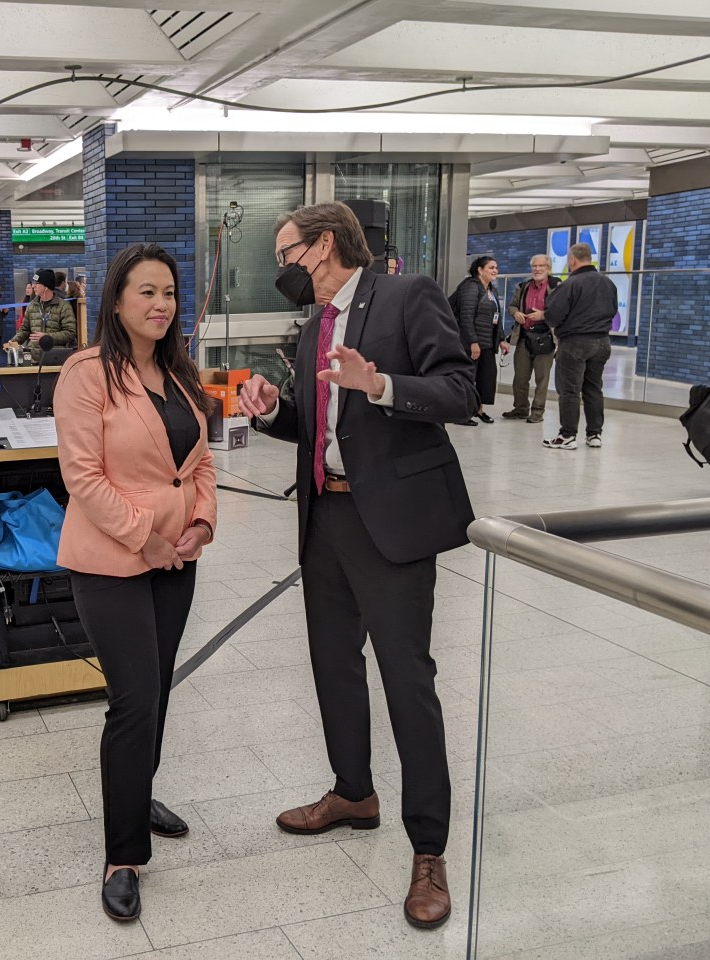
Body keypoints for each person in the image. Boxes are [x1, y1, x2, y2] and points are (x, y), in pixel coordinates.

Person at [237, 202, 478, 931]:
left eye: (288, 252)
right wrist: (274, 409)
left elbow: (462, 394)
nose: (283, 268)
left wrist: (381, 386)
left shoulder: (408, 296)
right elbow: (318, 427)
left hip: (393, 524)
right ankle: (352, 792)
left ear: (327, 244)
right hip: (326, 517)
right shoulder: (313, 327)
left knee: (408, 681)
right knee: (332, 664)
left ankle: (428, 848)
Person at [54, 243, 217, 923]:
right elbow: (83, 476)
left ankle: (135, 790)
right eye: (145, 292)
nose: (160, 305)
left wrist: (200, 525)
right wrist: (143, 536)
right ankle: (123, 854)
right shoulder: (87, 373)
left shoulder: (180, 374)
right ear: (116, 300)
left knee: (157, 688)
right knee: (134, 698)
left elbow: (198, 465)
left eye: (169, 293)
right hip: (112, 561)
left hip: (176, 559)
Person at [538, 242, 618, 450]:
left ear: (572, 260)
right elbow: (613, 310)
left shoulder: (570, 284)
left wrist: (549, 318)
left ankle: (567, 435)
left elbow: (554, 314)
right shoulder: (608, 283)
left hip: (575, 342)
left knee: (570, 389)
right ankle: (594, 434)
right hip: (602, 342)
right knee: (593, 388)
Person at [502, 255, 560, 422]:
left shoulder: (556, 286)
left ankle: (537, 412)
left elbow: (563, 310)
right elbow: (512, 306)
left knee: (542, 379)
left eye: (541, 266)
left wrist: (543, 315)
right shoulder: (524, 286)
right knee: (520, 377)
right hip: (524, 337)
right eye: (534, 266)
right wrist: (516, 313)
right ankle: (520, 408)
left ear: (548, 268)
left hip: (545, 338)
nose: (537, 269)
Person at [453, 256, 503, 425]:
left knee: (485, 377)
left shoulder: (491, 290)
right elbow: (466, 316)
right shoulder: (470, 288)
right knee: (468, 377)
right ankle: (462, 412)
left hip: (487, 342)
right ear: (480, 270)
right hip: (471, 343)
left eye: (496, 267)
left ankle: (479, 410)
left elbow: (497, 317)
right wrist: (472, 342)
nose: (495, 270)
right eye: (491, 267)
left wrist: (502, 339)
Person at [5, 269, 77, 363]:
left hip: (55, 358)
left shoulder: (64, 306)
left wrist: (47, 337)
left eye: (36, 283)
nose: (33, 286)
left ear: (46, 286)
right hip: (33, 358)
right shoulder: (31, 305)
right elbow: (24, 330)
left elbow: (70, 333)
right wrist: (13, 342)